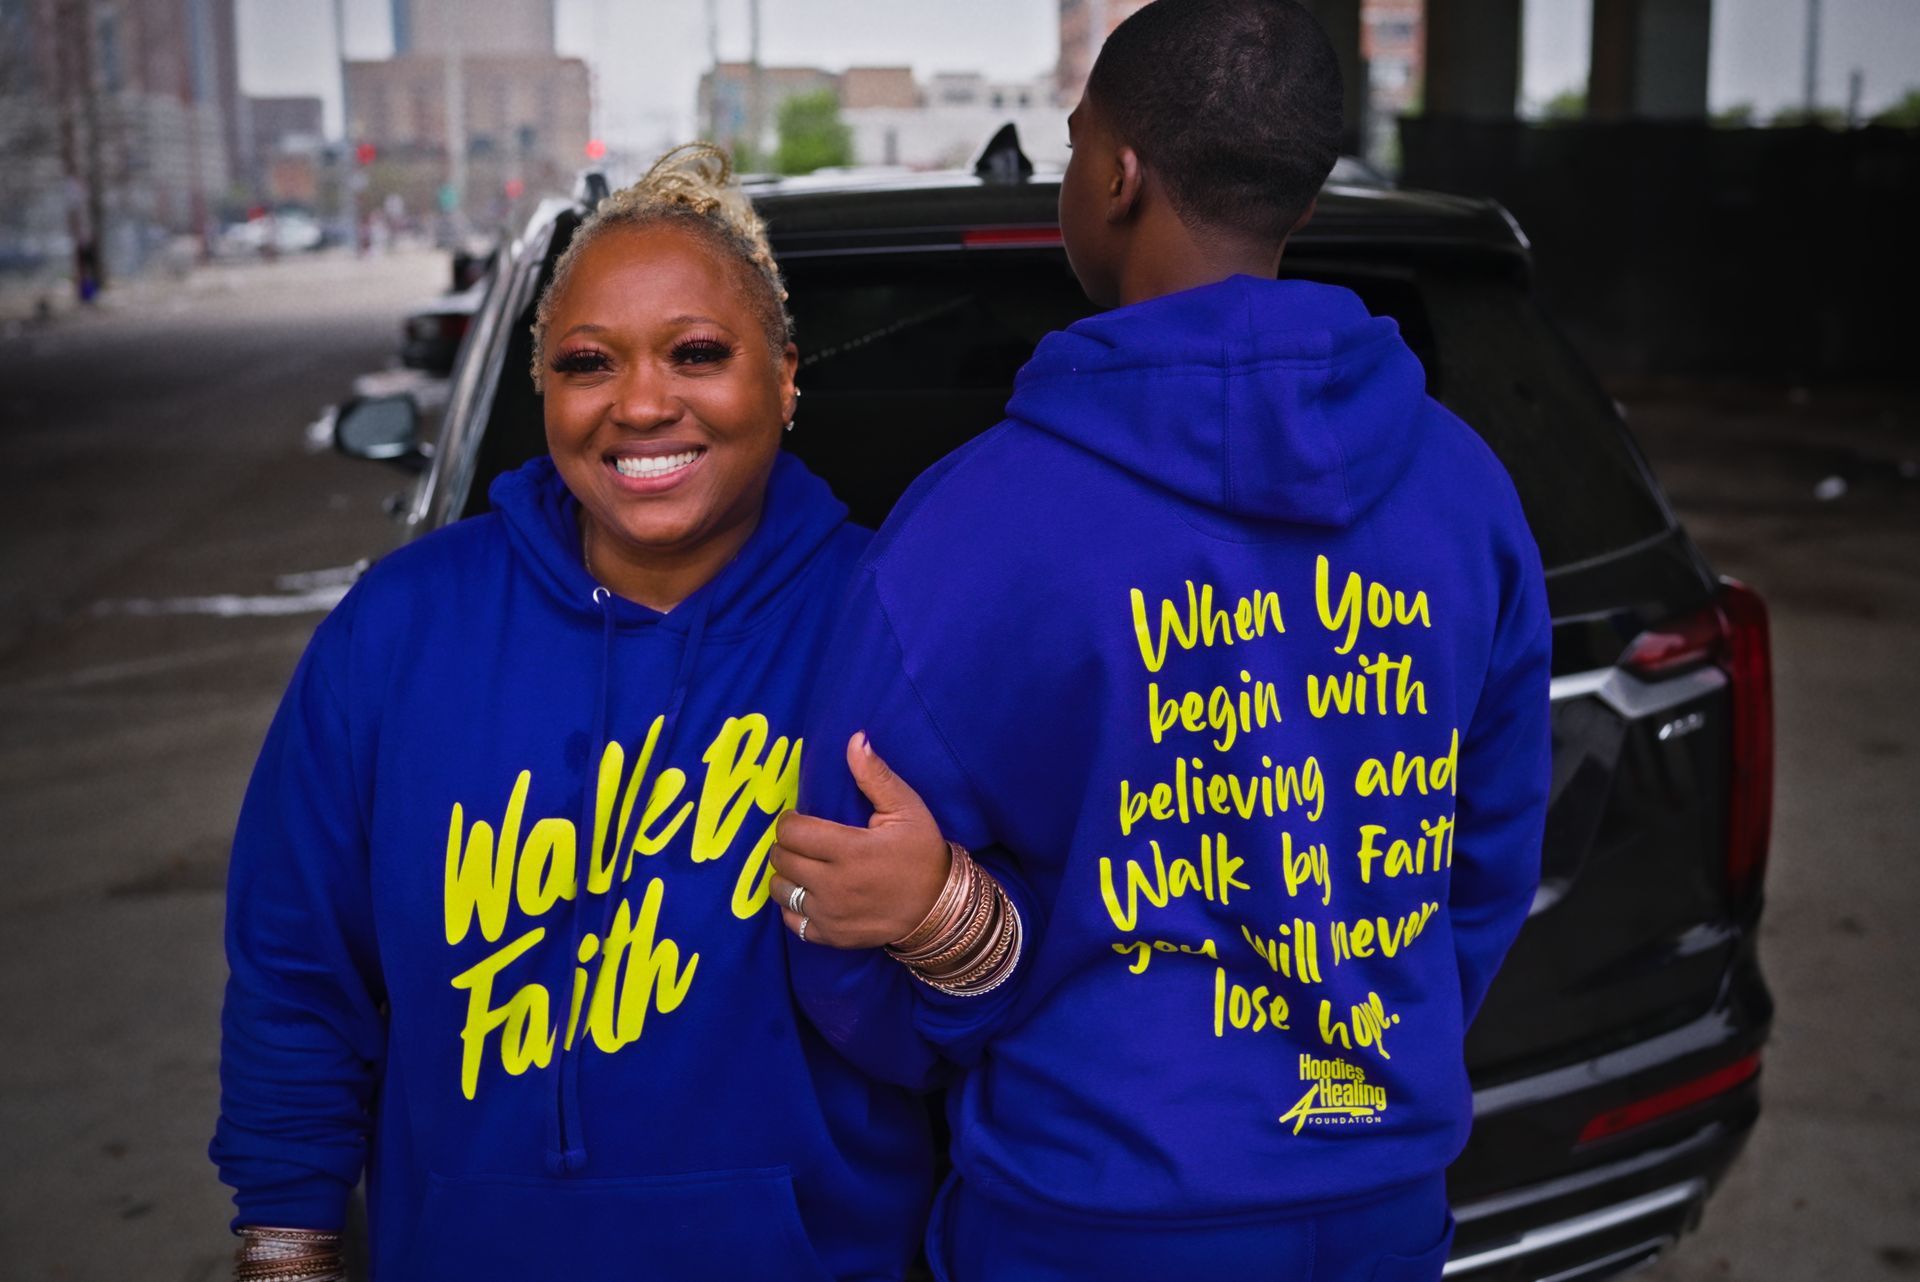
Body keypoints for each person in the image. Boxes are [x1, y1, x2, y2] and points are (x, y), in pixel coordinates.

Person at [775, 2, 1553, 1279]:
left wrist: (969, 986)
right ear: (1297, 200)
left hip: (1086, 1215)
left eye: (1077, 144)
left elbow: (841, 897)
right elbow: (1492, 853)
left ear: (1118, 175)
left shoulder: (971, 527)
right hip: (1380, 1203)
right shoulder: (1466, 493)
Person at [209, 144, 1010, 1282]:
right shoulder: (398, 631)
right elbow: (297, 973)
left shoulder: (894, 623)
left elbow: (1032, 998)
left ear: (784, 376)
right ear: (544, 387)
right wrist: (287, 1242)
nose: (642, 402)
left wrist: (945, 911)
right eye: (591, 362)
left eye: (697, 353)